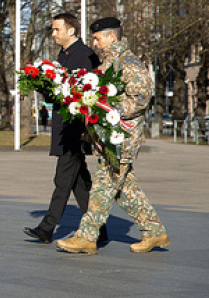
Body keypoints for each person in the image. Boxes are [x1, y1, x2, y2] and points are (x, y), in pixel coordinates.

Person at [56, 17, 170, 255]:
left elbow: (140, 98)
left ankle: (86, 237)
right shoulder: (109, 62)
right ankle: (154, 231)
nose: (95, 44)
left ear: (112, 37)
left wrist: (109, 111)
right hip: (110, 136)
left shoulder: (128, 62)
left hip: (123, 137)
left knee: (103, 185)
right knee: (126, 189)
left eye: (98, 39)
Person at [24, 13, 106, 244]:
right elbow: (59, 93)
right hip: (65, 126)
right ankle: (99, 228)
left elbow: (85, 94)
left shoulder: (85, 55)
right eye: (52, 29)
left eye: (57, 29)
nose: (53, 34)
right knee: (80, 184)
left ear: (71, 30)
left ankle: (47, 228)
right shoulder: (65, 54)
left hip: (76, 128)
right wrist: (41, 83)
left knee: (62, 180)